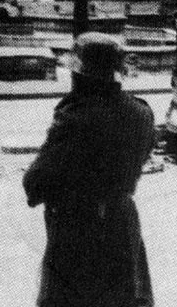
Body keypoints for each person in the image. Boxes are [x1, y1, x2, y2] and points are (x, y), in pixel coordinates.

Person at [23, 33, 156, 307]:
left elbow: (35, 182)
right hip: (122, 225)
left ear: (82, 73)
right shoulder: (141, 112)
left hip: (78, 232)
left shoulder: (76, 116)